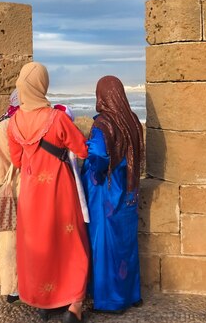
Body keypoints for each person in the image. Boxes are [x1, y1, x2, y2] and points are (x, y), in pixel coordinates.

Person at [7, 62, 90, 323]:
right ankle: (73, 304)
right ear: (43, 85)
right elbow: (82, 149)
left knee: (39, 244)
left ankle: (45, 301)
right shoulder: (57, 118)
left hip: (31, 193)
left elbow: (18, 161)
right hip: (60, 189)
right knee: (70, 242)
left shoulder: (13, 122)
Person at [81, 75, 144, 313]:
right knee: (127, 244)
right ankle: (132, 294)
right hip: (128, 190)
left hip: (106, 192)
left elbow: (97, 157)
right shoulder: (133, 120)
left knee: (105, 244)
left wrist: (87, 167)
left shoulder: (103, 124)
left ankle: (110, 300)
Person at [0, 89, 21, 303]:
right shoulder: (26, 124)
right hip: (29, 185)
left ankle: (12, 288)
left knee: (9, 238)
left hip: (8, 188)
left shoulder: (2, 126)